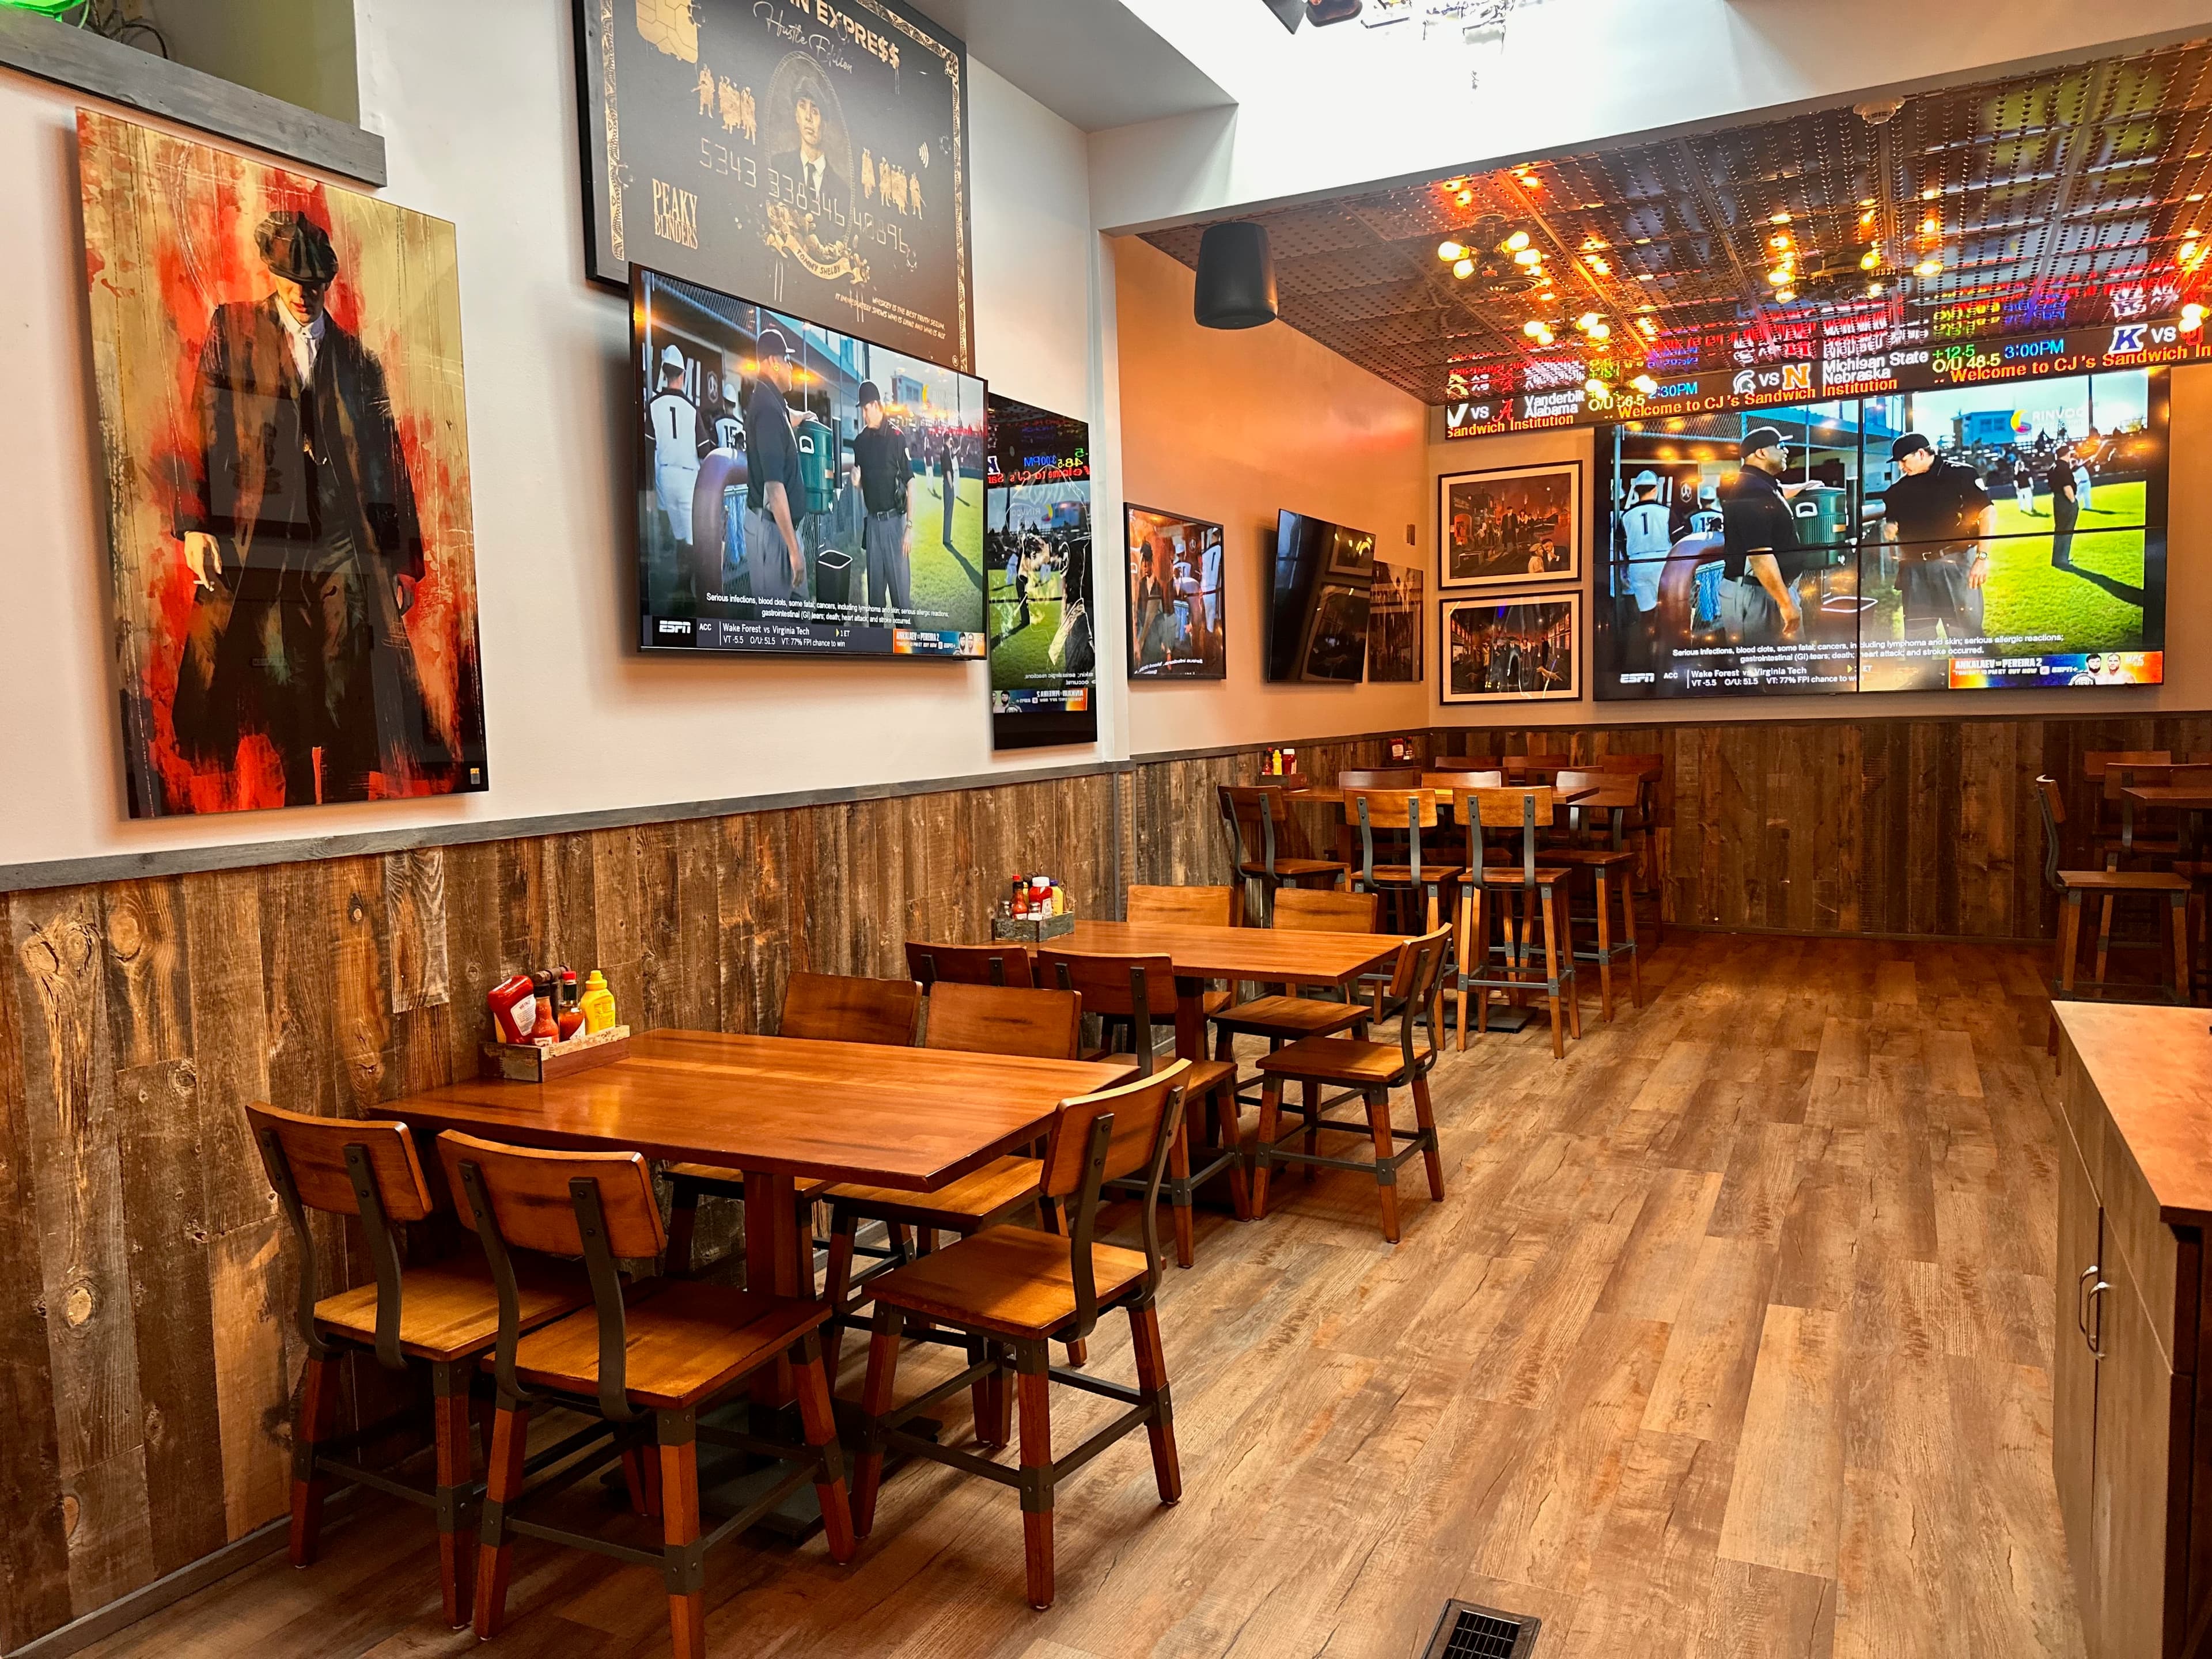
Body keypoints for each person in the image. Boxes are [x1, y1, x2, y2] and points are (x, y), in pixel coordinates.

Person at [172, 210, 431, 805]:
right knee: (279, 670)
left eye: (314, 286)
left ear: (328, 284)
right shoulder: (233, 330)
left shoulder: (356, 360)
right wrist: (193, 524)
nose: (303, 295)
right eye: (292, 283)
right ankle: (294, 809)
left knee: (349, 669)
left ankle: (347, 802)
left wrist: (399, 559)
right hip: (265, 530)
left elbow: (386, 462)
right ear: (273, 275)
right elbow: (200, 426)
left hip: (344, 532)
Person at [1881, 432, 1993, 646]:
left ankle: (1972, 679)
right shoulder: (1898, 490)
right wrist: (1890, 525)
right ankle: (1924, 680)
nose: (1901, 468)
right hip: (1914, 570)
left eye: (1904, 461)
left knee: (1966, 639)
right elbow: (1892, 518)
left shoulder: (1960, 474)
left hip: (1955, 564)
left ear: (1921, 453)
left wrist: (1982, 558)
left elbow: (1988, 514)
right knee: (1917, 640)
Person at [1716, 426, 1812, 647]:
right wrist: (1786, 604)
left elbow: (1779, 493)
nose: (1786, 451)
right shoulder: (1751, 489)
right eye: (1780, 446)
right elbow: (1760, 556)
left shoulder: (1760, 484)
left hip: (1769, 589)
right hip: (1755, 591)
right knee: (1759, 669)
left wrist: (1806, 486)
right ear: (1761, 453)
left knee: (1788, 666)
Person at [742, 327, 808, 605]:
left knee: (801, 619)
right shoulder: (767, 408)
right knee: (775, 628)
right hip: (773, 531)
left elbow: (784, 420)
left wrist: (801, 416)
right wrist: (794, 551)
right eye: (787, 360)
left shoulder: (773, 402)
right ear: (773, 362)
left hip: (782, 529)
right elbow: (774, 487)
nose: (792, 367)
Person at [645, 344, 709, 592]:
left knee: (680, 536)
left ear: (664, 373)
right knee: (692, 540)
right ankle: (688, 587)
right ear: (683, 375)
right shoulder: (691, 409)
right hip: (687, 479)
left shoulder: (652, 404)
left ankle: (682, 586)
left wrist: (649, 491)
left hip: (664, 477)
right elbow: (705, 452)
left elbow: (648, 449)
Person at [849, 379, 912, 622]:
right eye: (862, 410)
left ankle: (908, 657)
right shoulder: (860, 443)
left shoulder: (897, 437)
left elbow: (911, 483)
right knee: (875, 602)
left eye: (866, 409)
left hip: (896, 525)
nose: (864, 414)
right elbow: (864, 481)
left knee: (901, 604)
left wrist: (910, 527)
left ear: (876, 405)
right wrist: (857, 482)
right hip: (873, 526)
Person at [1616, 470, 1669, 673]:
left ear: (1636, 491)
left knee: (1647, 614)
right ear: (1655, 488)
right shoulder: (1665, 512)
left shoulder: (1626, 515)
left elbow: (1621, 544)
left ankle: (1650, 653)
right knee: (1666, 610)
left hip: (1638, 565)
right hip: (1662, 563)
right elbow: (1679, 539)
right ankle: (1666, 651)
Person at [769, 81, 850, 210]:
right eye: (802, 106)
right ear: (796, 116)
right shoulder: (778, 165)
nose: (808, 117)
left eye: (815, 111)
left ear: (825, 124)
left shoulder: (843, 192)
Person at [2047, 450, 2081, 569]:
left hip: (2057, 500)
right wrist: (2073, 502)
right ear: (2067, 455)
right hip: (2066, 501)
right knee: (2067, 530)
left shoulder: (2054, 467)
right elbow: (2067, 486)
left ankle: (2057, 558)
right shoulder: (2063, 468)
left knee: (2060, 529)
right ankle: (2063, 559)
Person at [938, 433, 960, 548]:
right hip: (948, 484)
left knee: (948, 511)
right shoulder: (945, 451)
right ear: (949, 439)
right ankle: (946, 538)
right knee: (948, 511)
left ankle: (947, 537)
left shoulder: (945, 450)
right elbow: (948, 471)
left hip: (946, 483)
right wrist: (951, 486)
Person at [2013, 449, 2036, 514]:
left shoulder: (2026, 472)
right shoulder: (2016, 474)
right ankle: (2022, 508)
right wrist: (2017, 487)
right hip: (2020, 488)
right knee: (2021, 500)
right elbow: (2015, 481)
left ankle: (2031, 508)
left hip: (2027, 487)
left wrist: (2032, 485)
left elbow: (2030, 479)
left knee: (2030, 499)